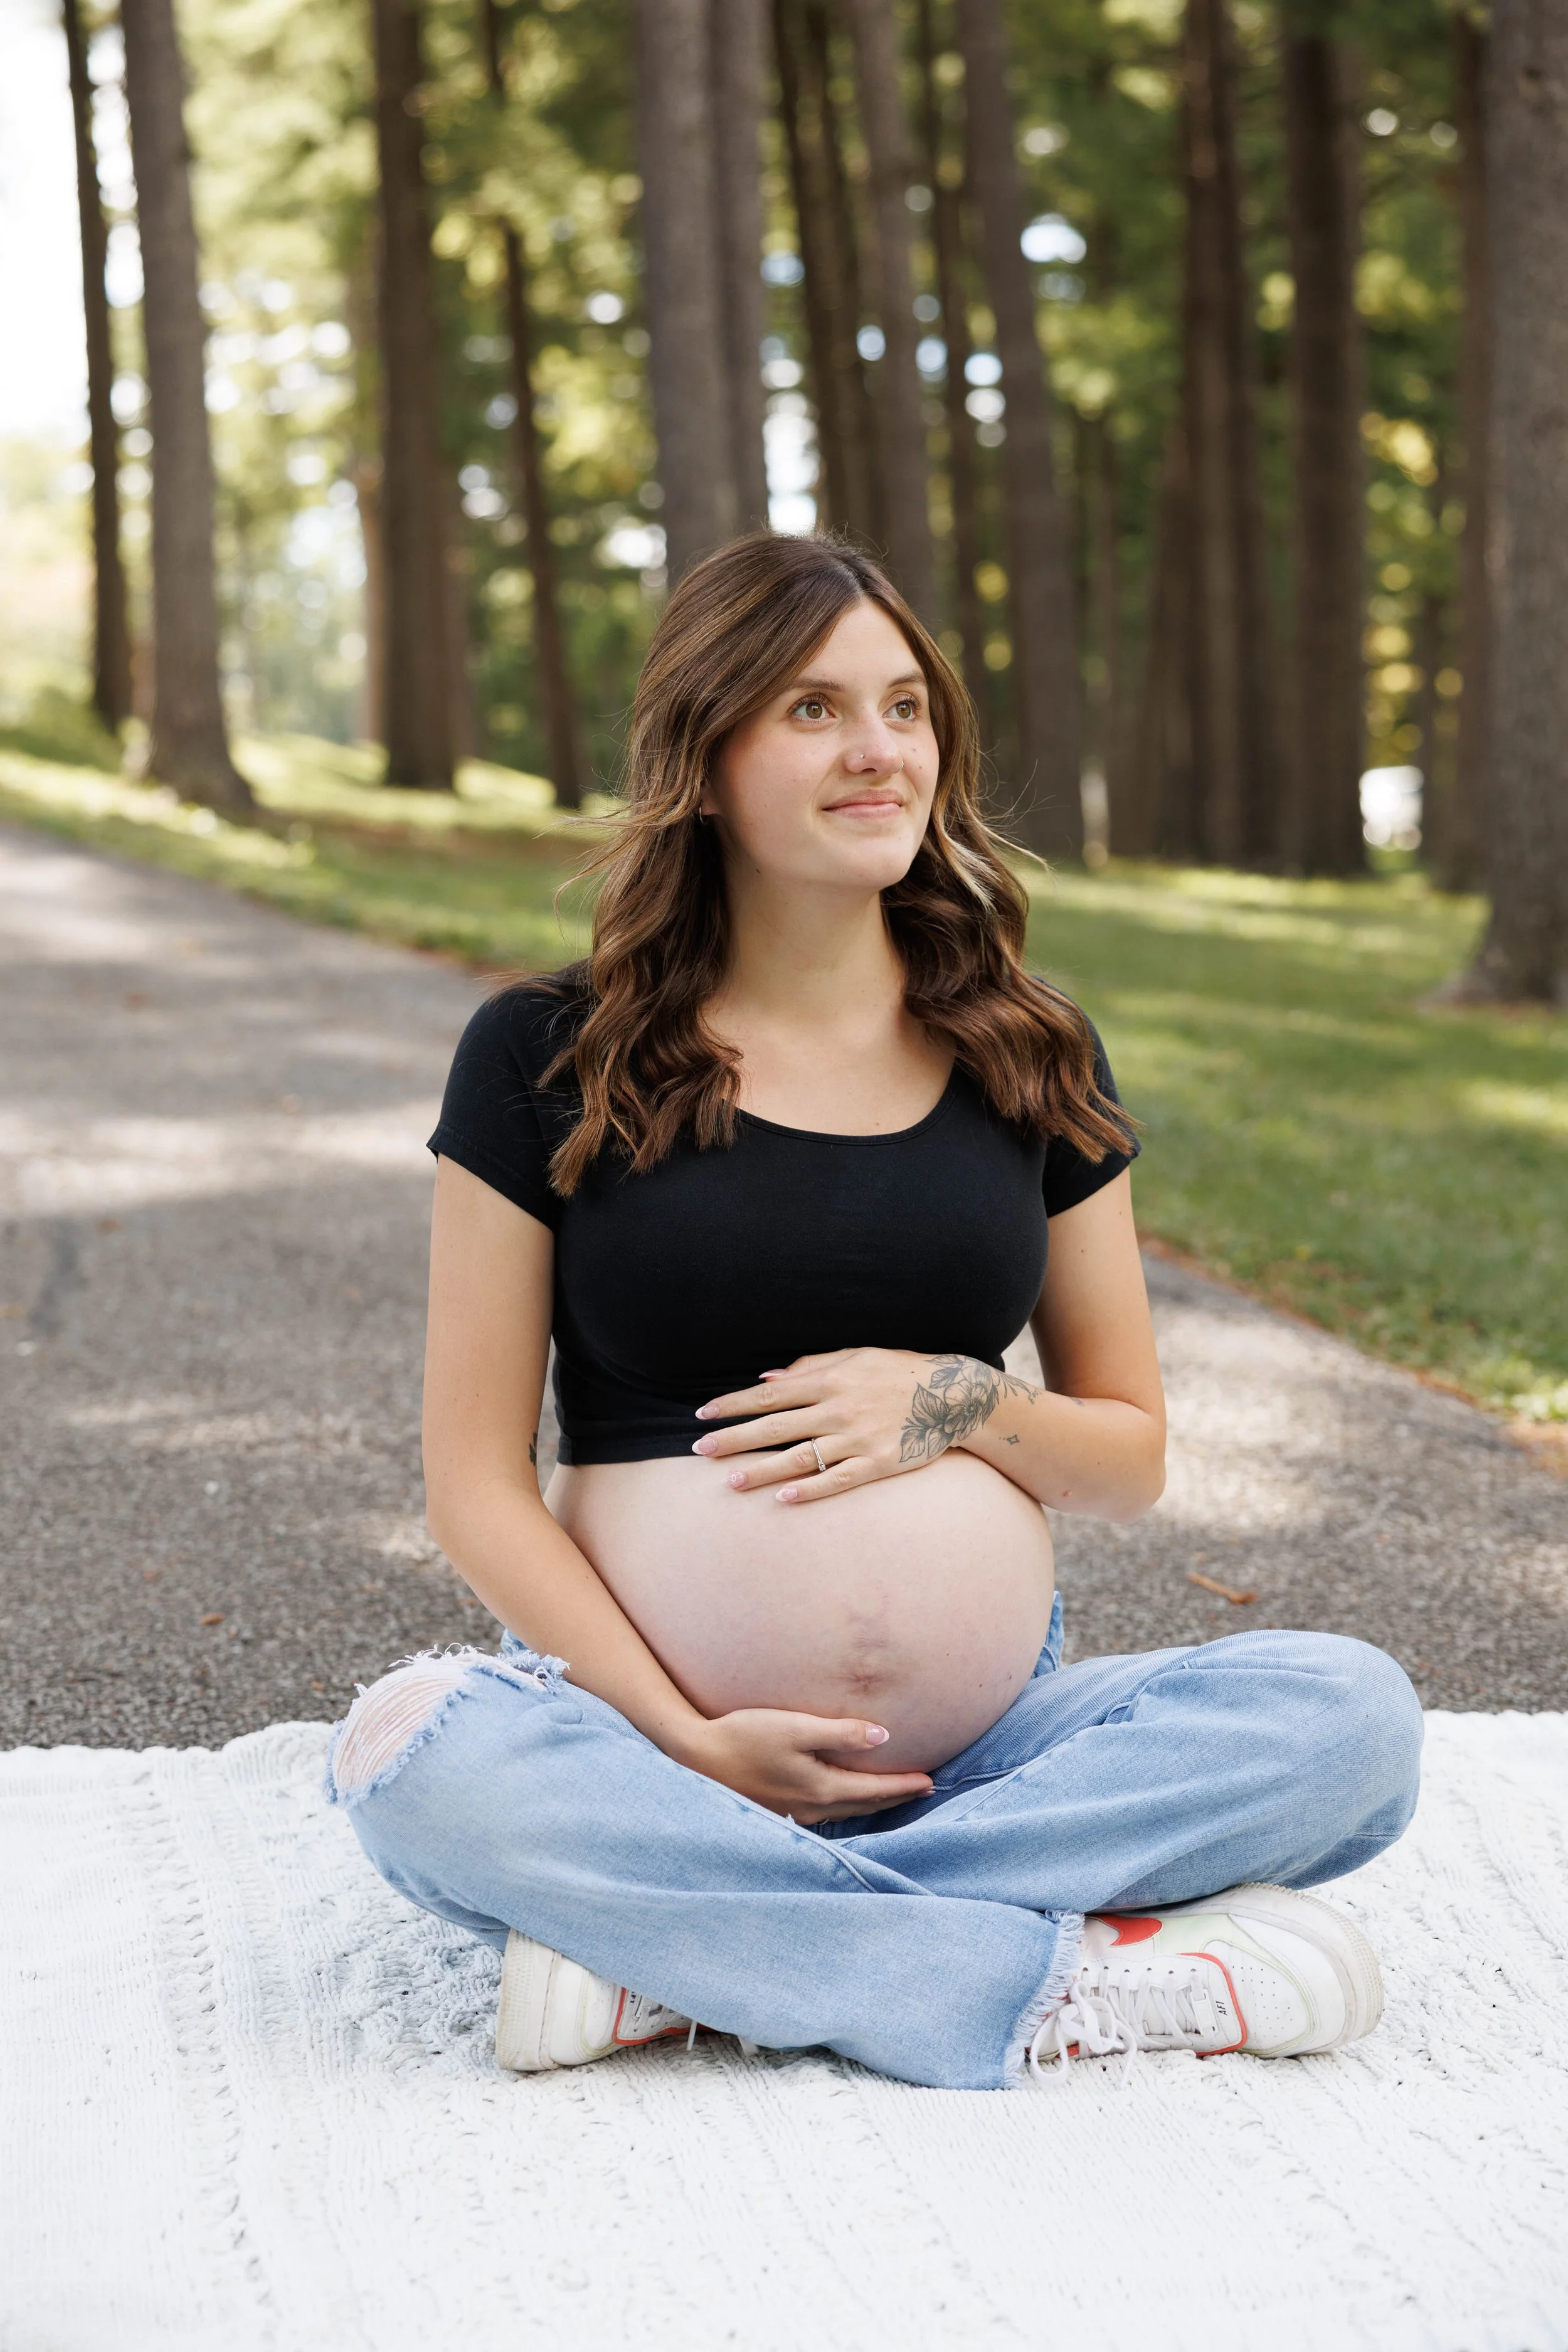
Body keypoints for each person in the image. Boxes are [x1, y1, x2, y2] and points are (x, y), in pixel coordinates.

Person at [327, 533, 1422, 2090]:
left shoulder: (1030, 1054)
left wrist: (959, 1403)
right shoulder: (543, 1053)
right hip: (653, 1750)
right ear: (703, 762)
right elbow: (472, 1481)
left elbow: (1126, 1456)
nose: (877, 750)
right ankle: (1036, 1974)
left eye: (904, 707)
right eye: (811, 710)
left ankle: (691, 1953)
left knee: (1350, 1721)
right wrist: (683, 1741)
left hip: (981, 1757)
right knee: (417, 1754)